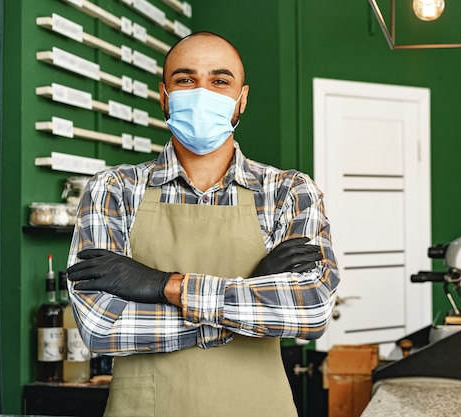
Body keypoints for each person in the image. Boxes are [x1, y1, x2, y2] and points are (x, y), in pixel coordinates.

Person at [66, 31, 340, 417]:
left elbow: (310, 311)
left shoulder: (289, 191)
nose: (201, 92)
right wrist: (250, 295)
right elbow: (101, 326)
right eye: (185, 79)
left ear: (241, 98)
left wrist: (165, 285)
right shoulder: (113, 188)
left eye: (219, 80)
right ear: (164, 95)